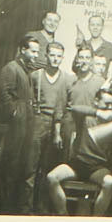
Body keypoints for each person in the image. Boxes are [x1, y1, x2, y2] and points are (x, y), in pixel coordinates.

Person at [44, 86, 112, 217]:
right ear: (96, 101)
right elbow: (73, 108)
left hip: (97, 168)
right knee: (52, 178)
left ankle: (96, 220)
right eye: (106, 103)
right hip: (77, 165)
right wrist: (98, 113)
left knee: (110, 183)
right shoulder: (85, 118)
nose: (109, 107)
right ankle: (63, 215)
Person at [0, 31, 45, 212]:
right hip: (17, 124)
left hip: (27, 122)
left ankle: (17, 207)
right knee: (12, 164)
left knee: (23, 165)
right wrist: (15, 113)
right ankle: (5, 207)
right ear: (23, 50)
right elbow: (4, 94)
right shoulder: (11, 68)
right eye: (33, 51)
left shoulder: (26, 71)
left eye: (37, 52)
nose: (36, 55)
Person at [28, 40, 72, 197]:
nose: (55, 59)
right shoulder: (36, 76)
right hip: (38, 122)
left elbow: (69, 104)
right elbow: (29, 100)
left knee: (50, 167)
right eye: (52, 55)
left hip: (57, 126)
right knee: (31, 166)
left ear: (62, 58)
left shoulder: (67, 79)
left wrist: (59, 129)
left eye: (59, 56)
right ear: (46, 55)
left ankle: (44, 205)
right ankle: (27, 206)